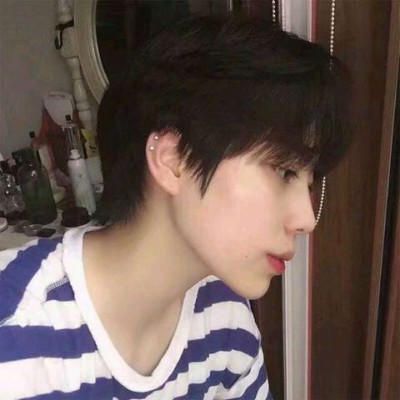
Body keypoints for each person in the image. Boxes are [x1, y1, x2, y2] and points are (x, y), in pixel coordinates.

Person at [0, 15, 351, 400]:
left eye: (308, 183)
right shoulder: (14, 333)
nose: (306, 219)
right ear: (173, 160)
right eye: (284, 171)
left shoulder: (226, 319)